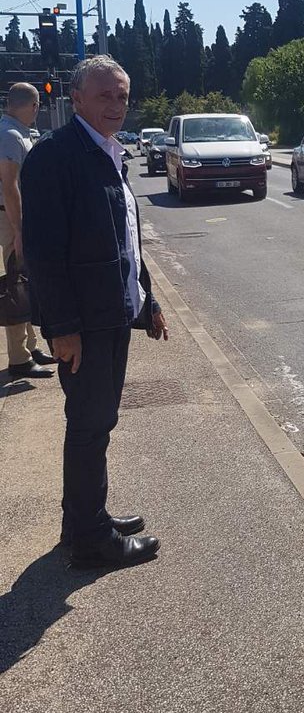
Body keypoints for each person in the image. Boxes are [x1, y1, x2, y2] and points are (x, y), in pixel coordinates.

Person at [21, 56, 167, 569]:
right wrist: (61, 329)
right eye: (104, 95)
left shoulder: (108, 153)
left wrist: (146, 301)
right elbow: (43, 253)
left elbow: (123, 238)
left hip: (112, 313)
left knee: (98, 423)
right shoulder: (56, 157)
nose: (115, 106)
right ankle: (89, 539)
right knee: (88, 425)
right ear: (76, 98)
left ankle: (86, 519)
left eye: (122, 96)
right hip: (82, 323)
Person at [0, 83, 57, 379]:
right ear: (34, 106)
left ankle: (31, 348)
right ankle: (19, 359)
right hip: (11, 219)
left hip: (17, 218)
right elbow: (9, 186)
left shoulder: (14, 131)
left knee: (25, 282)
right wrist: (19, 229)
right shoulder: (9, 135)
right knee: (16, 286)